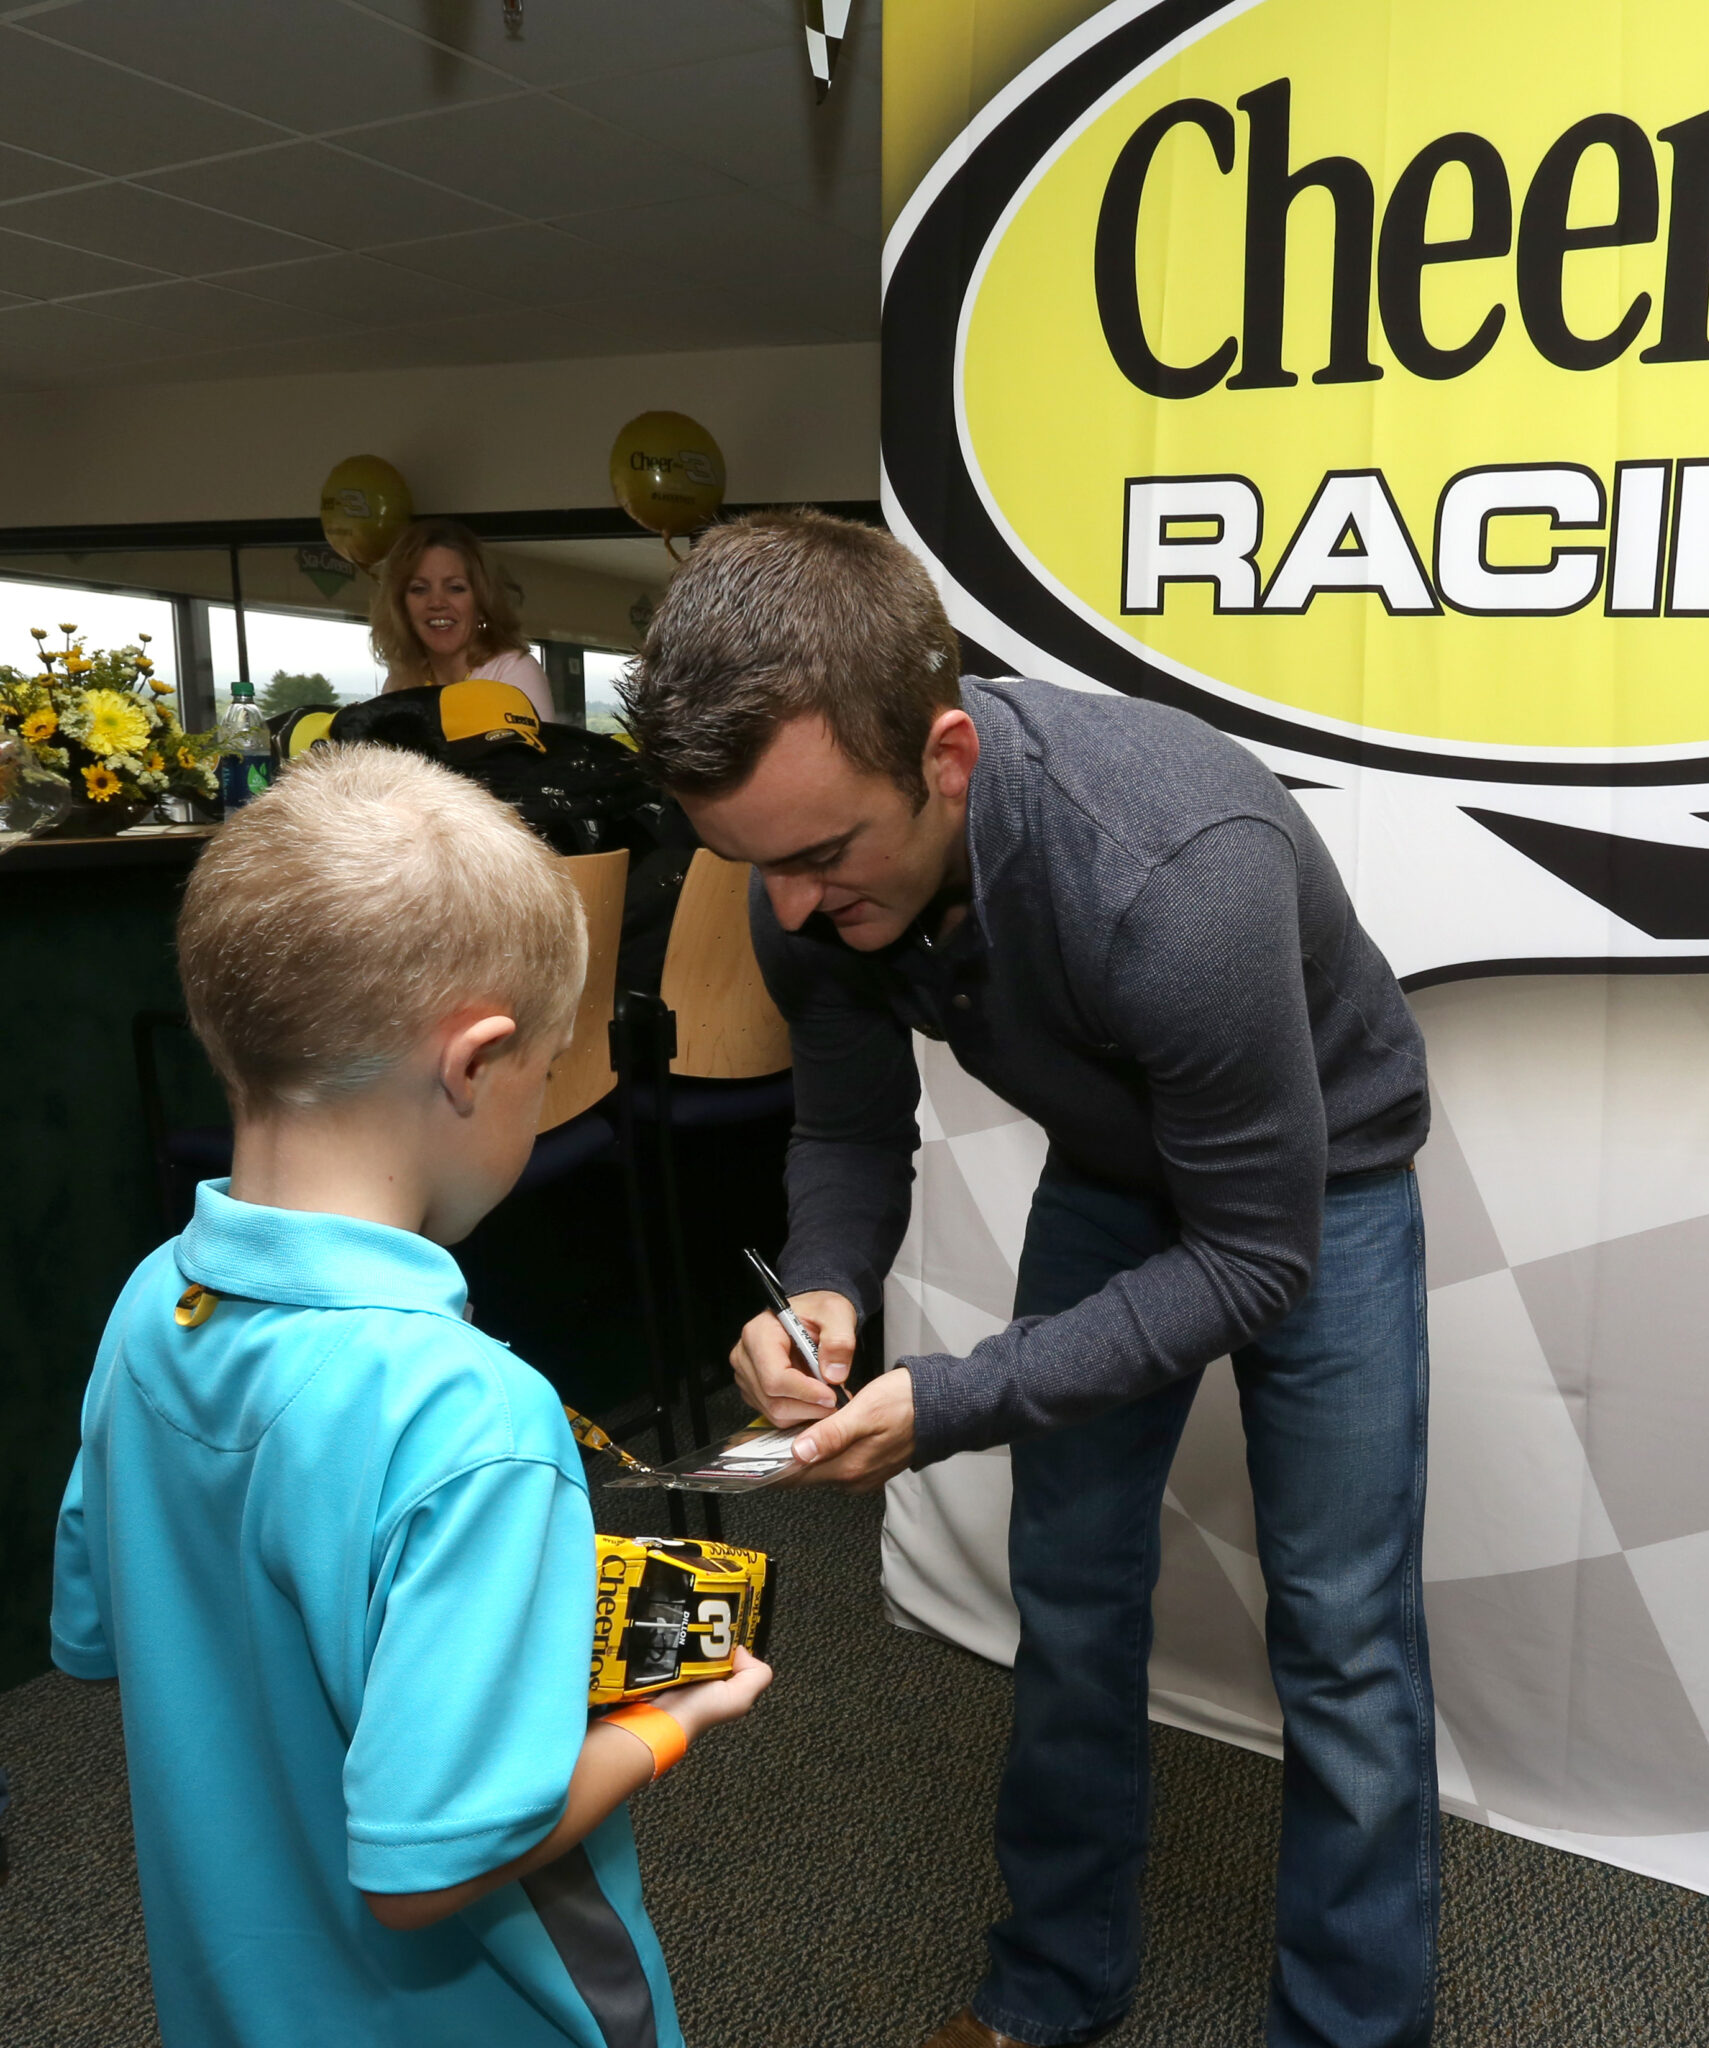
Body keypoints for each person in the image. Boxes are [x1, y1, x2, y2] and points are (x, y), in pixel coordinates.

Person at [620, 511, 1437, 2048]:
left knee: (1342, 1631)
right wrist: (829, 1288)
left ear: (945, 758)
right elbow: (851, 1129)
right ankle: (1050, 1996)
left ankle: (1354, 2033)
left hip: (1319, 1188)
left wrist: (958, 1397)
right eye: (750, 863)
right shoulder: (792, 871)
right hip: (1121, 1168)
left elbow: (1256, 1254)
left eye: (817, 857)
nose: (787, 909)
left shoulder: (1173, 867)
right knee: (1069, 1588)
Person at [50, 745, 769, 2047]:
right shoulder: (474, 1421)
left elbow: (104, 1637)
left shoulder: (150, 1303)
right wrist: (674, 1720)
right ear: (477, 1062)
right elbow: (428, 1865)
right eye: (547, 1075)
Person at [370, 516, 556, 718]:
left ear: (482, 600)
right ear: (401, 606)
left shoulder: (514, 671)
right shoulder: (398, 683)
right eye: (419, 589)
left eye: (455, 588)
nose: (437, 602)